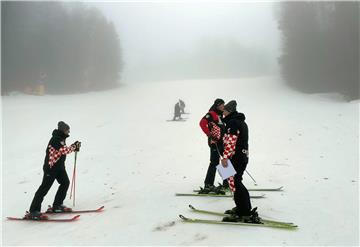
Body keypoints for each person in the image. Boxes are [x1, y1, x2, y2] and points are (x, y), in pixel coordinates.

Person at [26, 121, 81, 220]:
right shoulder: (55, 139)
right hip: (51, 168)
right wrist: (74, 147)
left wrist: (74, 147)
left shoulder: (61, 138)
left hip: (59, 167)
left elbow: (63, 150)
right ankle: (33, 211)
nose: (69, 132)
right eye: (67, 130)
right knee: (44, 188)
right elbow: (63, 150)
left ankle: (57, 205)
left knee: (65, 183)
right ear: (62, 130)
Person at [220, 100, 260, 223]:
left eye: (225, 111)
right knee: (234, 182)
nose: (223, 113)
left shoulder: (233, 122)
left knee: (236, 182)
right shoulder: (239, 122)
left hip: (236, 157)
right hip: (240, 157)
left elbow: (231, 141)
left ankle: (245, 211)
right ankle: (242, 207)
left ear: (229, 111)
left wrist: (225, 157)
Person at [199, 98, 228, 193]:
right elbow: (202, 123)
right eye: (222, 105)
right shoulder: (212, 114)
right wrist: (209, 134)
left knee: (225, 161)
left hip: (222, 142)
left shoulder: (221, 115)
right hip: (215, 143)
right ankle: (208, 184)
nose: (223, 106)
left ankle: (227, 183)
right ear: (217, 105)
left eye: (224, 104)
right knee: (214, 162)